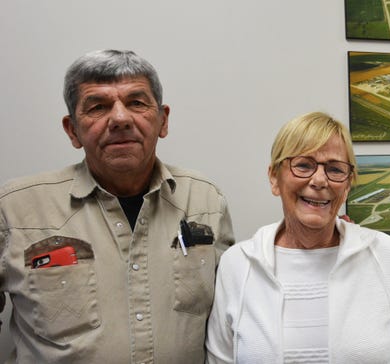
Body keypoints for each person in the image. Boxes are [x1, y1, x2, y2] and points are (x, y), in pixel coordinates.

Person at [0, 49, 235, 363]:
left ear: (163, 120)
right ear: (73, 130)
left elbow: (229, 322)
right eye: (98, 107)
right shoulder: (15, 209)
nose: (121, 118)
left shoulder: (205, 201)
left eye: (137, 103)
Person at [205, 112, 390, 363]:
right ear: (274, 178)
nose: (319, 180)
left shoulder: (382, 254)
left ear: (346, 187)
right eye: (303, 165)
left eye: (335, 169)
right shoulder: (238, 265)